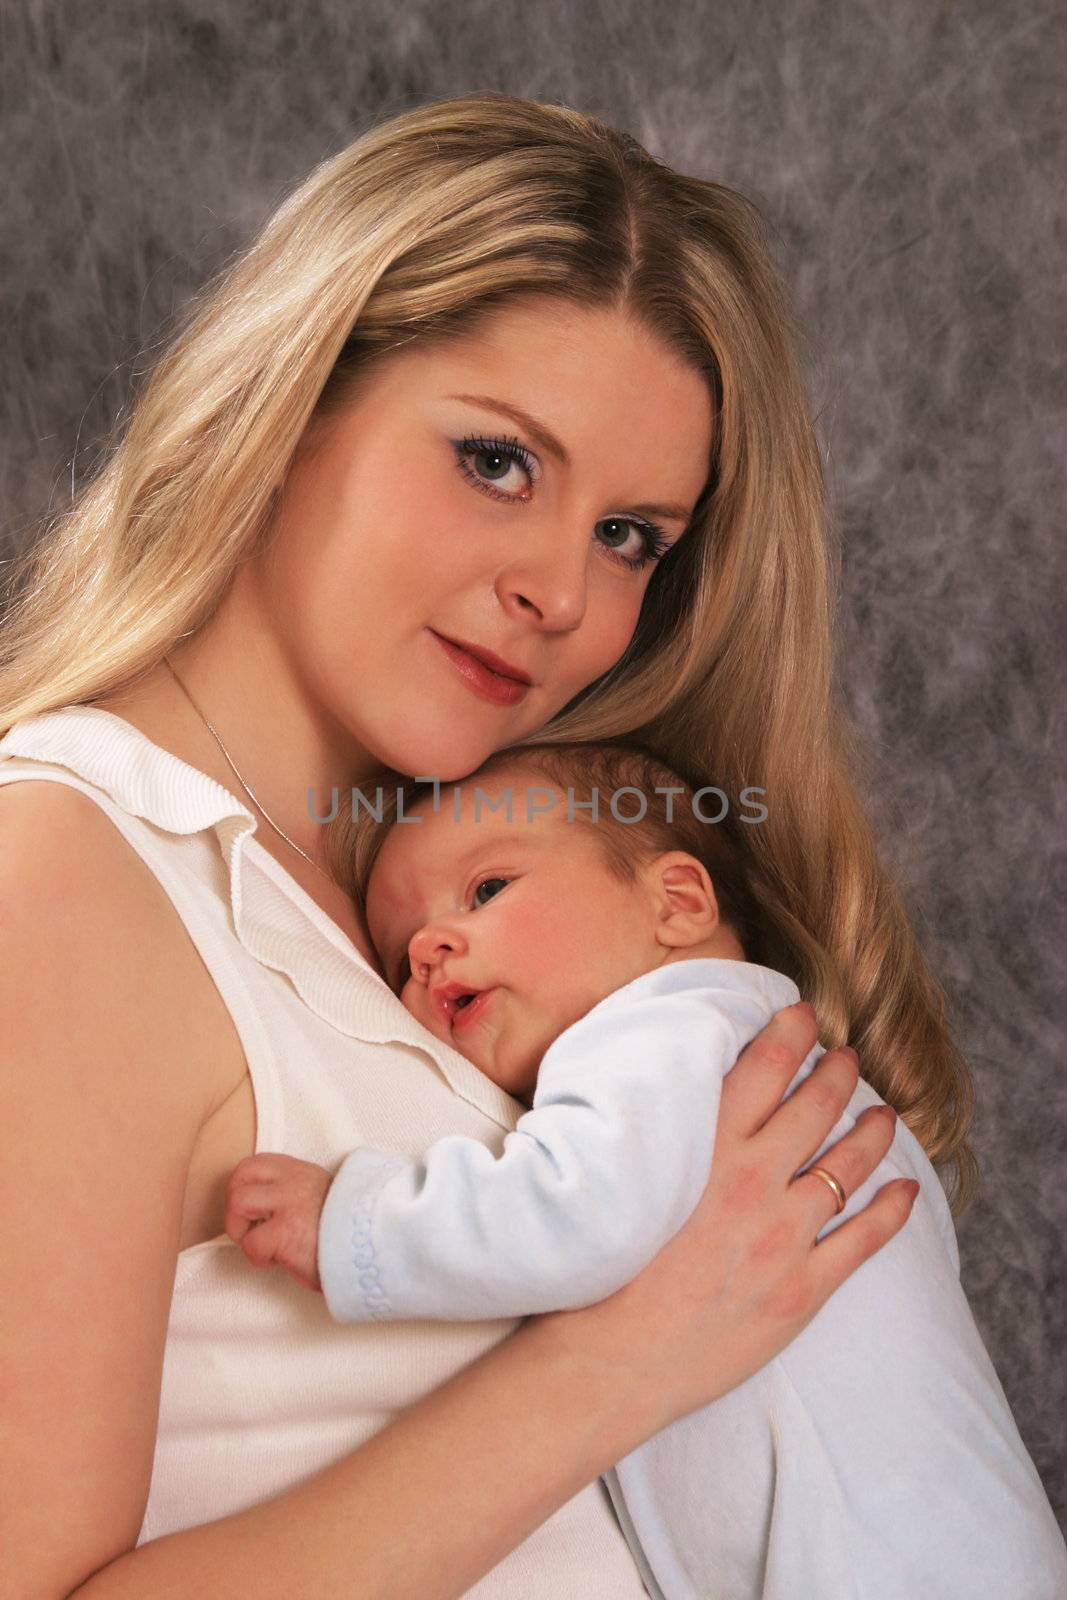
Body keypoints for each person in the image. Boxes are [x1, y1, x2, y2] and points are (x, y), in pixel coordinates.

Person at [2, 91, 978, 1597]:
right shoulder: (62, 867)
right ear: (289, 403)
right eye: (498, 463)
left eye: (629, 537)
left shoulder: (430, 896)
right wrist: (616, 1361)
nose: (563, 596)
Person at [225, 740, 1067, 1599]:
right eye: (402, 959)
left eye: (486, 890)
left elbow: (578, 1217)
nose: (433, 948)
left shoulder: (664, 1026)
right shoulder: (769, 1061)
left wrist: (354, 1224)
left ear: (675, 901)